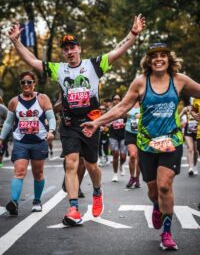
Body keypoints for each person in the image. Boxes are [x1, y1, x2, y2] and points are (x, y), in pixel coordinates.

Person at [8, 14, 146, 226]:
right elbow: (32, 61)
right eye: (66, 49)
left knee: (92, 166)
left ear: (79, 49)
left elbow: (119, 49)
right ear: (63, 53)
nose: (70, 52)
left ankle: (97, 191)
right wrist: (16, 41)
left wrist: (134, 33)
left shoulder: (95, 65)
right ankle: (73, 208)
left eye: (73, 48)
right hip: (70, 124)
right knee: (71, 163)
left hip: (91, 123)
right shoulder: (58, 69)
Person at [81, 42, 200, 250]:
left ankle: (167, 233)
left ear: (169, 59)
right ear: (149, 61)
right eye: (155, 56)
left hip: (171, 140)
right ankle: (156, 205)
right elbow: (121, 108)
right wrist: (97, 122)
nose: (159, 59)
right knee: (153, 191)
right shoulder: (140, 82)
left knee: (165, 185)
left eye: (163, 55)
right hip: (146, 143)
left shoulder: (179, 80)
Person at [0, 71, 56, 215]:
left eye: (29, 82)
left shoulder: (42, 99)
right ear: (20, 84)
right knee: (19, 171)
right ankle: (14, 202)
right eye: (23, 82)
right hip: (21, 142)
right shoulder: (14, 102)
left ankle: (37, 201)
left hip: (39, 141)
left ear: (34, 83)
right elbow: (8, 123)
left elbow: (51, 118)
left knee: (38, 173)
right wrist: (1, 138)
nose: (26, 85)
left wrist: (52, 131)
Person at [109, 94, 127, 182]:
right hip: (113, 135)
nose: (117, 101)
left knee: (123, 156)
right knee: (115, 154)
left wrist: (125, 123)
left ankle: (121, 165)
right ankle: (115, 174)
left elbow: (130, 121)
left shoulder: (125, 110)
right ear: (112, 100)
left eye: (118, 99)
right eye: (115, 99)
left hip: (123, 135)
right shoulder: (110, 110)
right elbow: (105, 120)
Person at [180, 102, 198, 176]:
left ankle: (194, 165)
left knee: (196, 151)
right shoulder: (186, 108)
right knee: (190, 149)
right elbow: (178, 116)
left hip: (197, 130)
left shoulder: (198, 107)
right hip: (188, 130)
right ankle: (190, 168)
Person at [125, 101, 140, 188]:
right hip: (130, 132)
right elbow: (121, 113)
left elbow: (150, 115)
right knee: (133, 155)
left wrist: (140, 116)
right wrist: (125, 114)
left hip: (141, 133)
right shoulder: (128, 102)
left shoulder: (144, 102)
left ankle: (137, 178)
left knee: (139, 158)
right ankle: (132, 177)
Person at [0, 99, 9, 167]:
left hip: (1, 131)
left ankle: (0, 162)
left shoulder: (3, 108)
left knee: (2, 147)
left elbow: (8, 121)